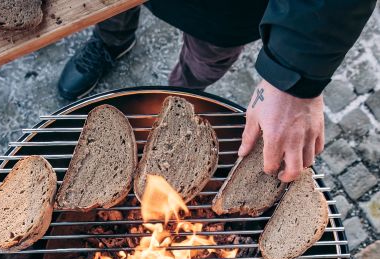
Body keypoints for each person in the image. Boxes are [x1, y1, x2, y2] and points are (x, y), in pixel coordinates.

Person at [57, 1, 375, 182]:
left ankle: (180, 97)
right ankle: (112, 41)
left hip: (222, 9)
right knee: (110, 11)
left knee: (204, 59)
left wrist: (295, 73)